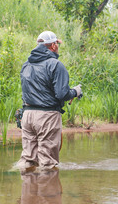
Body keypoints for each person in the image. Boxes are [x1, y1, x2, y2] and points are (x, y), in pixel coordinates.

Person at [17, 31, 82, 171]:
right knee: (47, 163)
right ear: (53, 45)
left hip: (27, 116)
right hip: (47, 117)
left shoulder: (26, 65)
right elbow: (61, 94)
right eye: (57, 44)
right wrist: (76, 92)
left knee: (28, 161)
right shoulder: (55, 65)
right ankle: (48, 192)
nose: (58, 47)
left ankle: (28, 191)